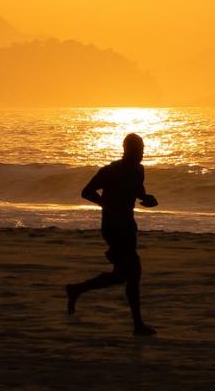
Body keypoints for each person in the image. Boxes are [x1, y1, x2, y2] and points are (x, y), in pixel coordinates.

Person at [65, 132, 159, 335]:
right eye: (138, 150)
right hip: (113, 227)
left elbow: (139, 192)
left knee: (121, 275)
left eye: (143, 150)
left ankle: (77, 290)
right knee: (133, 273)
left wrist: (147, 199)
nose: (141, 154)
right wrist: (106, 204)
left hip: (128, 225)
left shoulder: (139, 170)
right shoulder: (110, 171)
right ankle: (138, 325)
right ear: (127, 150)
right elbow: (87, 191)